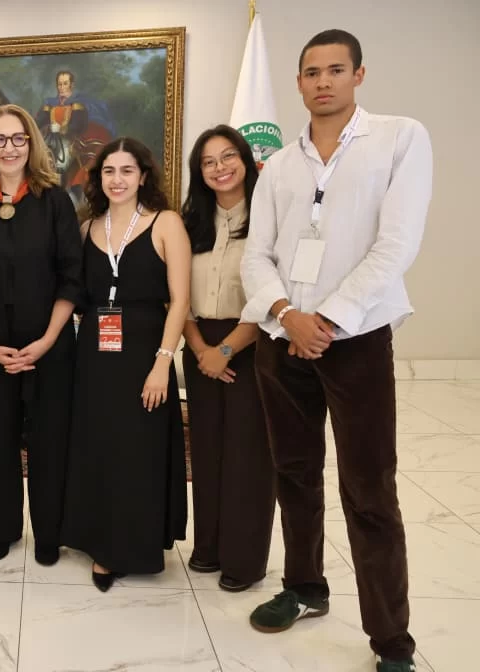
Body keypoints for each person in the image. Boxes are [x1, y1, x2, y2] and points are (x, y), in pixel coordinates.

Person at [240, 30, 431, 672]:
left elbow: (395, 245)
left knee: (369, 488)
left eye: (335, 70)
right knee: (294, 474)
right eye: (311, 72)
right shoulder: (279, 165)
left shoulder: (399, 139)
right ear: (298, 82)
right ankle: (304, 588)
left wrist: (325, 320)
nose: (323, 81)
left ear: (358, 75)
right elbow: (256, 254)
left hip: (356, 342)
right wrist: (286, 315)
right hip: (281, 340)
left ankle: (391, 640)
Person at [0, 104, 82, 567]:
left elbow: (71, 278)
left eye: (18, 138)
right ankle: (1, 530)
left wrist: (46, 341)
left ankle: (49, 533)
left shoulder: (55, 203)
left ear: (31, 144)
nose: (9, 148)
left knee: (49, 442)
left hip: (49, 346)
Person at [60, 137, 190, 591]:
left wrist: (162, 364)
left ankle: (134, 545)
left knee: (138, 451)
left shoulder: (165, 223)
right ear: (98, 178)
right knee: (99, 447)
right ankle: (99, 542)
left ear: (143, 176)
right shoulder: (86, 228)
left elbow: (180, 302)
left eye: (127, 170)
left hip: (145, 356)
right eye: (109, 171)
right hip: (95, 357)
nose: (117, 180)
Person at [180, 126, 275, 592]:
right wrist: (201, 349)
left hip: (252, 345)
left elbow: (274, 295)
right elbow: (175, 294)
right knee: (207, 450)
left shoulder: (268, 217)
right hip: (199, 343)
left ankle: (244, 560)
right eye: (208, 161)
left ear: (246, 160)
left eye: (228, 156)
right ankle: (209, 547)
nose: (219, 168)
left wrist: (225, 350)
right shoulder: (189, 222)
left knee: (247, 455)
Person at [35, 70, 114, 200]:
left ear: (71, 85)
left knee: (64, 161)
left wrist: (64, 129)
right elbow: (39, 122)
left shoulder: (77, 104)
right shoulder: (49, 104)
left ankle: (68, 190)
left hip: (71, 140)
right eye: (59, 84)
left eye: (65, 84)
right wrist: (47, 127)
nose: (62, 87)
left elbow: (79, 125)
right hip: (50, 139)